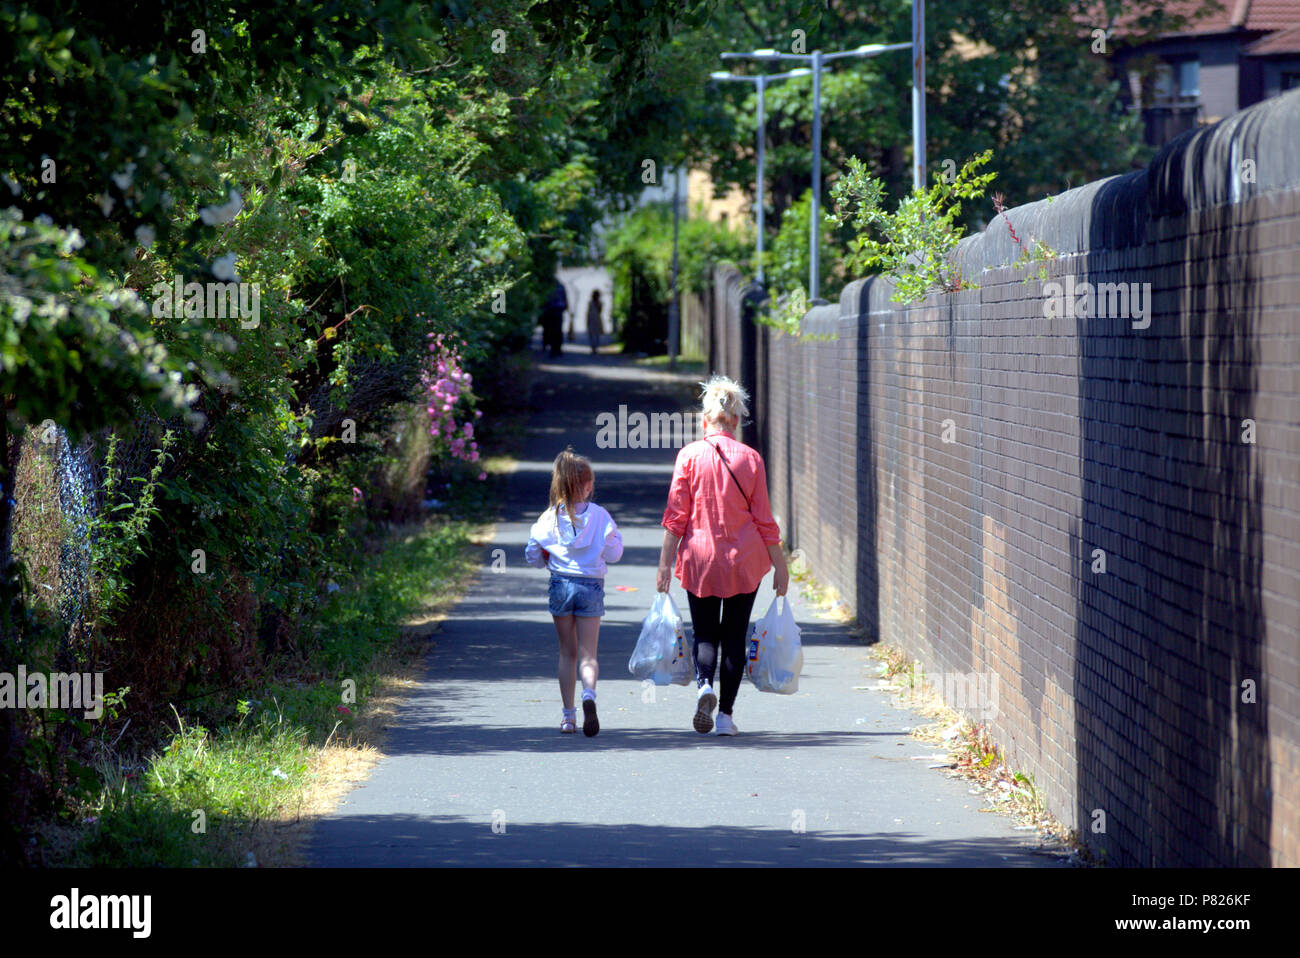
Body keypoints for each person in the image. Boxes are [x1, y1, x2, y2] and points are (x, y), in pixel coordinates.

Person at [657, 376, 788, 736]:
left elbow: (675, 519)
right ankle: (726, 717)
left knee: (704, 635)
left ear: (705, 420)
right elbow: (763, 519)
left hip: (699, 559)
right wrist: (780, 566)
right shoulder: (751, 459)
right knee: (734, 637)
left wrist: (665, 565)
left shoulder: (688, 456)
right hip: (744, 561)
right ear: (735, 420)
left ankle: (704, 687)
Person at [526, 447, 624, 735]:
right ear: (588, 485)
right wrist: (605, 546)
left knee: (567, 653)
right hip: (591, 585)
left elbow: (532, 554)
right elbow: (614, 553)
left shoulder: (549, 518)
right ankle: (589, 696)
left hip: (560, 584)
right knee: (588, 654)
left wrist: (546, 557)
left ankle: (568, 717)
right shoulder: (600, 516)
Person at [540, 280, 568, 358]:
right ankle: (557, 348)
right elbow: (565, 297)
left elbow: (544, 299)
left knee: (551, 330)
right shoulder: (560, 286)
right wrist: (566, 306)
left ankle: (553, 348)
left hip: (551, 310)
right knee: (558, 330)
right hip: (558, 310)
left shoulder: (548, 286)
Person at [586, 289, 604, 354]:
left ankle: (595, 348)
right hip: (591, 319)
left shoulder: (600, 303)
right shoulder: (590, 303)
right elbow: (588, 312)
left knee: (597, 335)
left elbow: (600, 311)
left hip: (597, 319)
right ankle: (593, 347)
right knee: (591, 334)